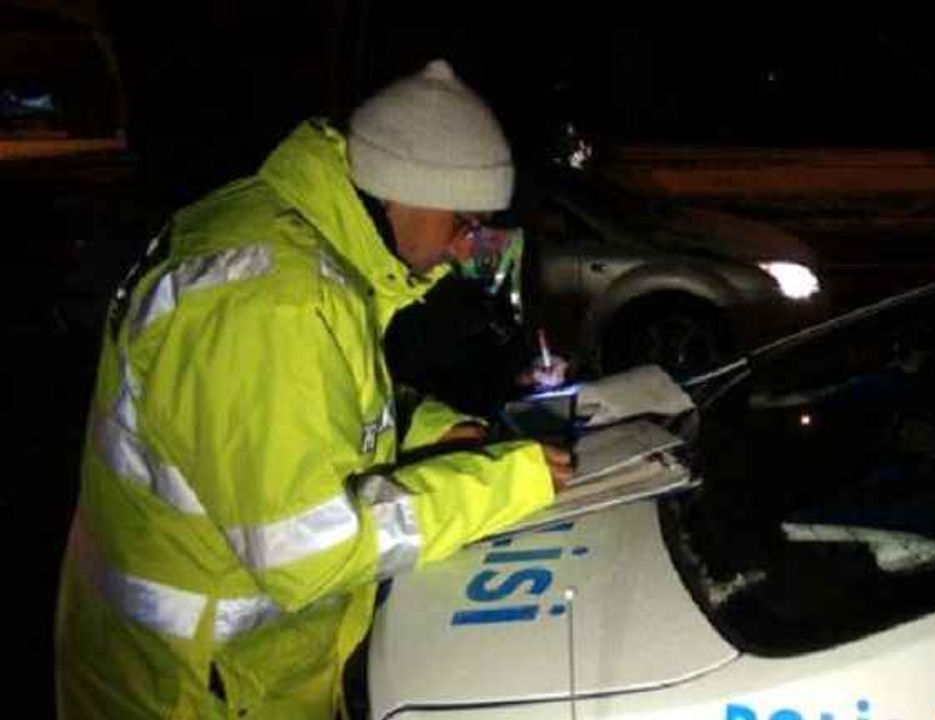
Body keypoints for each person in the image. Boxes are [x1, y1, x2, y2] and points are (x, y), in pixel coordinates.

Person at [55, 59, 572, 720]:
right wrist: (502, 484)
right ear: (410, 193)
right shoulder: (272, 304)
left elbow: (318, 412)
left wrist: (433, 431)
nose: (465, 249)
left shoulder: (290, 240)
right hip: (188, 695)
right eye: (463, 223)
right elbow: (305, 550)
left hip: (232, 676)